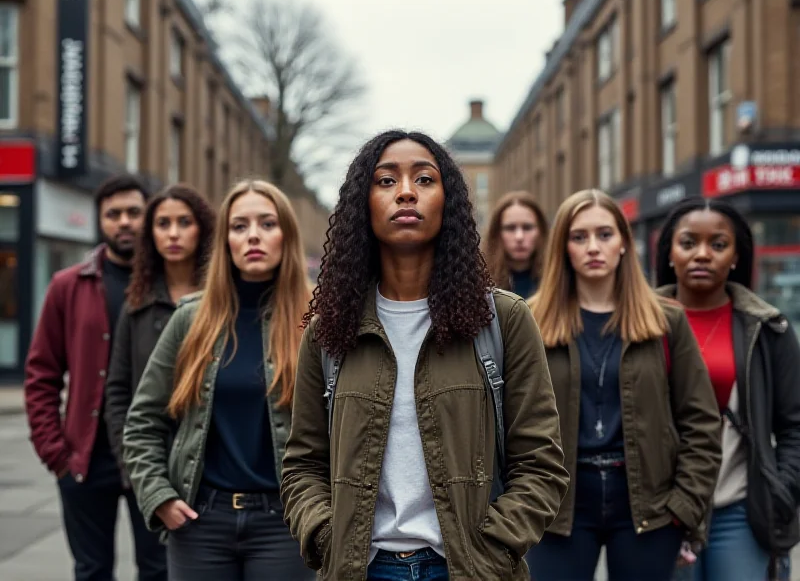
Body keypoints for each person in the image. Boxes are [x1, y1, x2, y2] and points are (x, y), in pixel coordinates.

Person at [281, 130, 569, 581]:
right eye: (386, 181)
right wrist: (325, 535)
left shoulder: (503, 319)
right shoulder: (329, 330)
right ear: (363, 204)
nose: (407, 192)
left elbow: (540, 461)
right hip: (363, 569)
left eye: (425, 179)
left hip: (469, 570)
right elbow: (302, 464)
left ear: (448, 203)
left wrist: (492, 548)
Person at [525, 189, 722, 581]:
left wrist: (683, 507)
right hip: (557, 504)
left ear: (624, 244)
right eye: (579, 237)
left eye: (605, 234)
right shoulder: (529, 321)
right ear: (562, 247)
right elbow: (505, 423)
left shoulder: (666, 321)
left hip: (647, 505)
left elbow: (701, 423)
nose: (593, 247)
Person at [123, 180, 313, 580]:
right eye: (239, 226)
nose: (253, 236)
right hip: (200, 521)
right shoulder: (191, 318)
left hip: (286, 523)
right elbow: (143, 420)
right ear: (225, 240)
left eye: (267, 223)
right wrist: (159, 496)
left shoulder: (314, 321)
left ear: (287, 236)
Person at [24, 175, 167, 581]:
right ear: (100, 221)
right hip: (85, 461)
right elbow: (41, 375)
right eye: (113, 214)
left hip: (155, 461)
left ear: (149, 216)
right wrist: (56, 454)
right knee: (91, 571)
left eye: (134, 213)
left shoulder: (169, 284)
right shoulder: (68, 286)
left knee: (160, 572)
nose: (124, 222)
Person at [655, 197, 800, 581]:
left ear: (736, 256)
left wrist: (781, 492)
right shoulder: (638, 325)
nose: (702, 254)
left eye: (718, 245)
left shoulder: (768, 329)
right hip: (660, 509)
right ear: (670, 251)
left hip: (739, 508)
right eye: (688, 243)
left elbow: (794, 426)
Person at [105, 184, 216, 480]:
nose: (173, 234)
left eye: (184, 222)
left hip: (215, 467)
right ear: (150, 234)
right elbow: (118, 390)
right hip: (153, 466)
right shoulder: (137, 304)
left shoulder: (223, 300)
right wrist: (132, 465)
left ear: (202, 229)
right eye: (163, 224)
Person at [483, 190, 549, 298]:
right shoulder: (481, 282)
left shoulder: (558, 280)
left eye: (527, 227)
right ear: (497, 233)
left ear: (540, 231)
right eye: (510, 228)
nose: (519, 237)